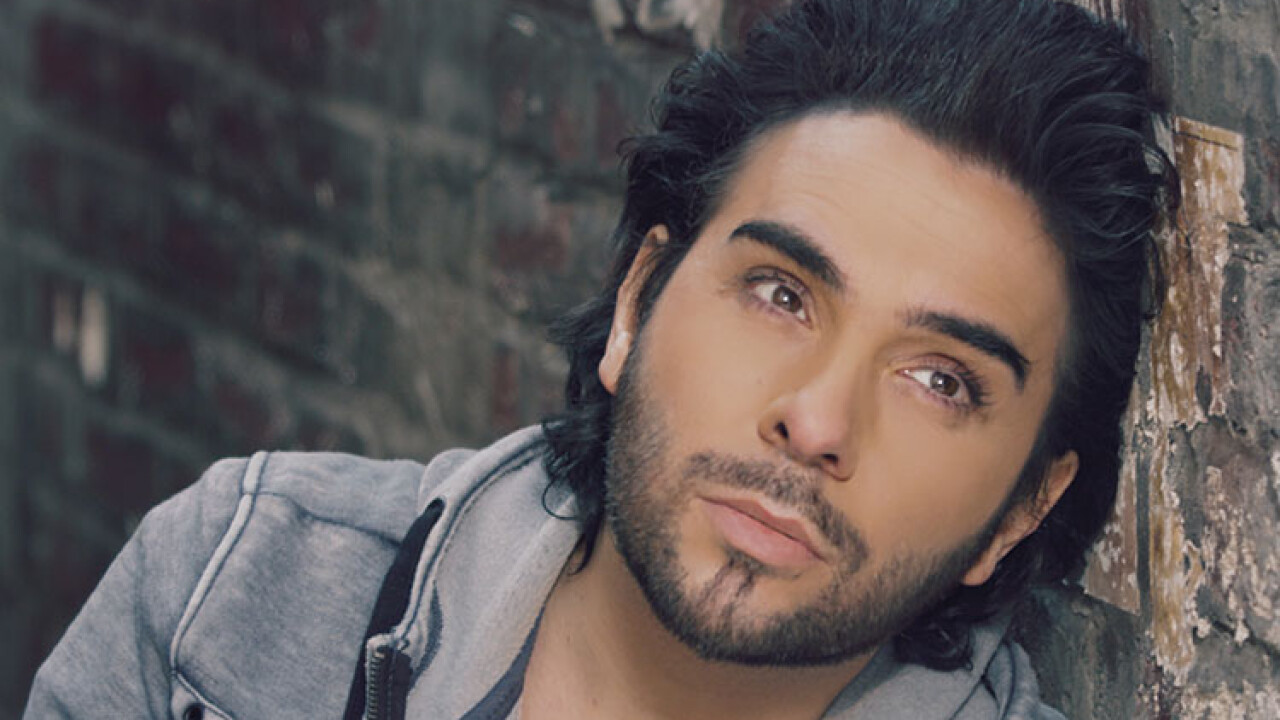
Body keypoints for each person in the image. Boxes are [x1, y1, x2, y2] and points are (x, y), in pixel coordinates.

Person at [26, 0, 1177, 717]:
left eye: (939, 381)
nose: (817, 421)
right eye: (780, 295)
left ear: (1022, 509)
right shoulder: (238, 587)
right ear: (637, 301)